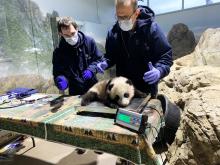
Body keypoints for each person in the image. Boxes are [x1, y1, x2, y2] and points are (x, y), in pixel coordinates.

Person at [97, 0, 173, 98]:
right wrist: (105, 62)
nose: (121, 21)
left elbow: (165, 56)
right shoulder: (113, 33)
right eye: (118, 16)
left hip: (146, 89)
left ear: (136, 13)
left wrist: (159, 71)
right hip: (123, 88)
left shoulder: (151, 29)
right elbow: (110, 56)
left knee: (145, 112)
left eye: (125, 17)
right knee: (123, 113)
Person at [52, 17, 104, 95]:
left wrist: (91, 70)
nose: (71, 38)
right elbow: (58, 71)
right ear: (60, 34)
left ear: (77, 29)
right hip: (75, 90)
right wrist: (61, 79)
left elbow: (100, 60)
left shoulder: (89, 42)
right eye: (66, 35)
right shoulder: (59, 52)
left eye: (73, 33)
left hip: (93, 87)